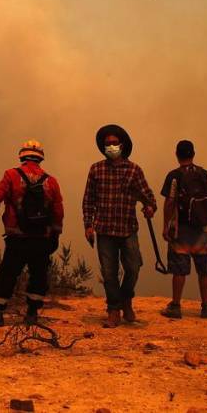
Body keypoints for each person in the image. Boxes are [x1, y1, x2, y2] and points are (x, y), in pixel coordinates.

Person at [0, 140, 64, 327]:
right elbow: (58, 211)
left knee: (7, 273)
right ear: (40, 158)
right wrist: (55, 234)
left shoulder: (12, 175)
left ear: (22, 156)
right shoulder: (51, 181)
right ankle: (32, 314)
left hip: (17, 237)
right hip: (41, 238)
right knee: (38, 275)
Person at [82, 124, 157, 327]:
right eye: (107, 144)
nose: (111, 146)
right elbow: (88, 200)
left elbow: (149, 198)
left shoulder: (134, 170)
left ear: (122, 145)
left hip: (127, 229)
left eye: (114, 143)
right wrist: (88, 225)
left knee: (133, 268)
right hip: (104, 229)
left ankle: (126, 299)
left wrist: (150, 208)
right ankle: (114, 310)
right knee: (109, 273)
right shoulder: (96, 169)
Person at [159, 140, 207, 319]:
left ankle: (176, 306)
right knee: (204, 269)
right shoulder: (204, 174)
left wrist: (165, 226)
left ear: (177, 155)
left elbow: (169, 202)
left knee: (179, 269)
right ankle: (206, 307)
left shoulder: (174, 176)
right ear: (193, 154)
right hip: (201, 229)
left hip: (181, 228)